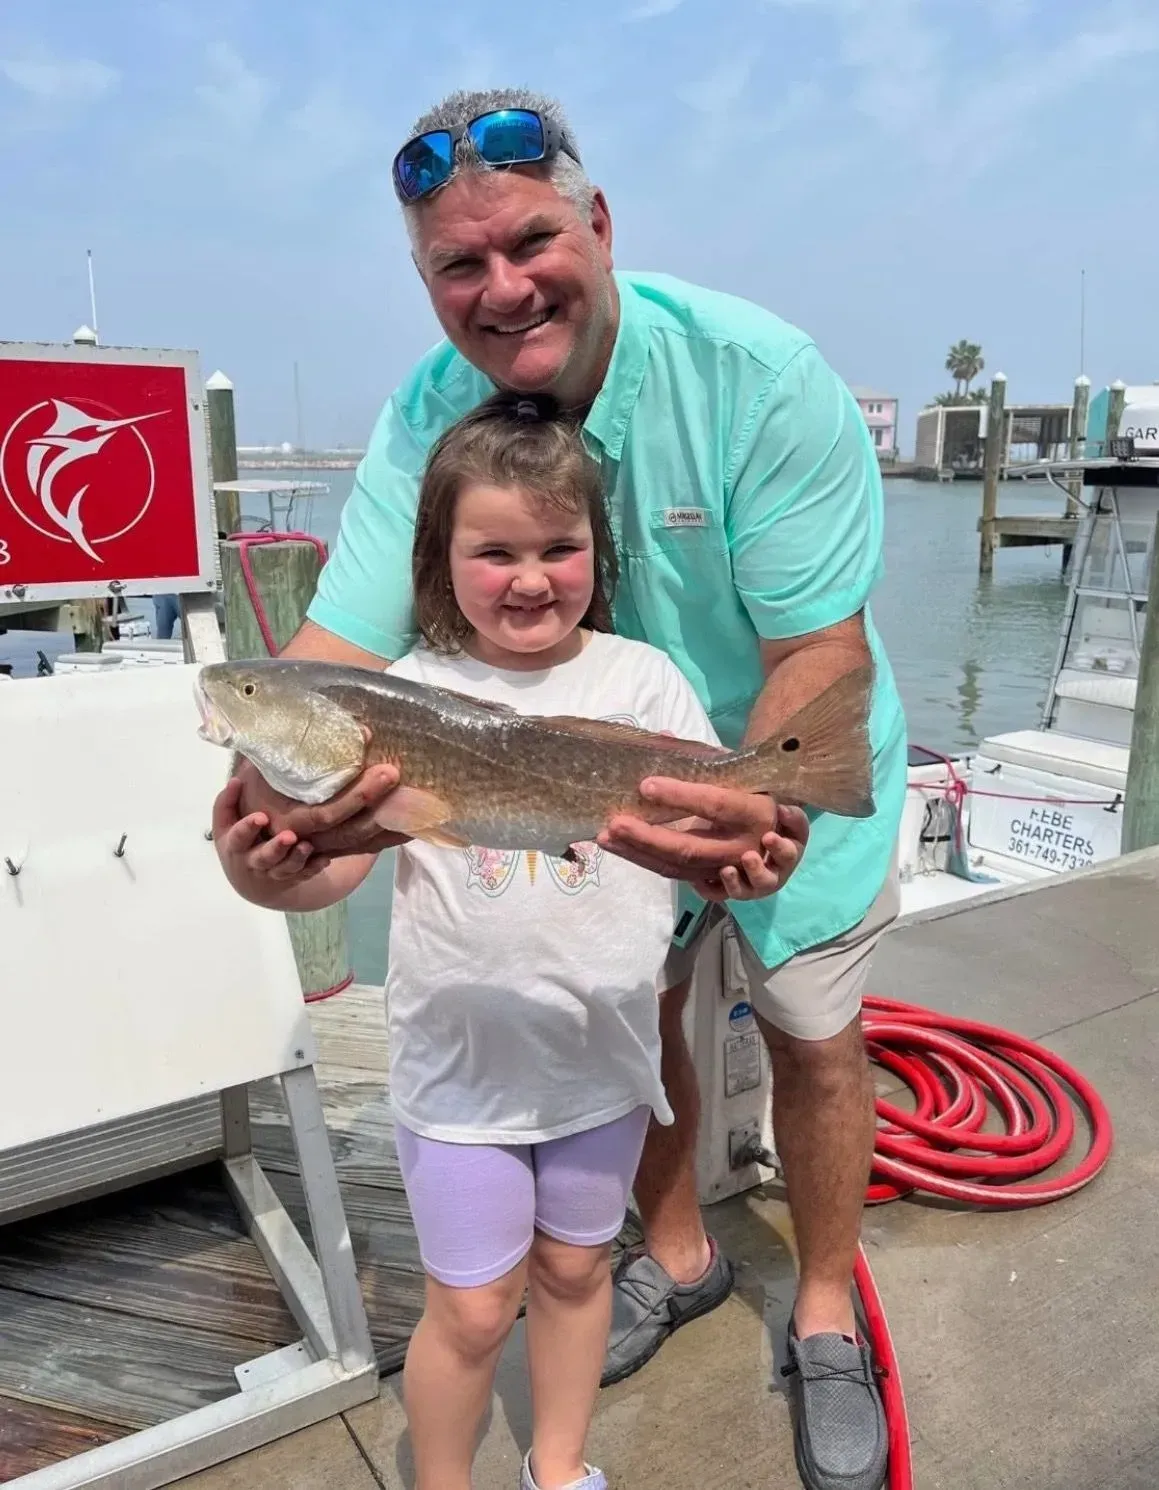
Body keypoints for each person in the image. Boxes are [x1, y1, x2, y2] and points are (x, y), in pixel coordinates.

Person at [227, 87, 908, 1490]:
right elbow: (333, 660)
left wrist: (762, 806)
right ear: (423, 283)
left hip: (773, 744)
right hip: (559, 790)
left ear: (596, 224)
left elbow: (815, 643)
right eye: (456, 266)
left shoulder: (758, 375)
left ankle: (828, 1308)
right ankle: (673, 1255)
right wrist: (261, 823)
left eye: (529, 239)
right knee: (634, 1005)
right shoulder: (429, 415)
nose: (502, 284)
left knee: (811, 1031)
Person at [212, 390, 754, 1490]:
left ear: (598, 551)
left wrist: (755, 835)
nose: (529, 575)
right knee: (467, 1307)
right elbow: (337, 867)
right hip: (460, 1074)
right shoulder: (404, 694)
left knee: (574, 1268)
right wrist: (262, 870)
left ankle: (558, 1465)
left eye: (559, 546)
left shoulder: (643, 681)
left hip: (602, 1060)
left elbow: (711, 835)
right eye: (493, 548)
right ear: (439, 558)